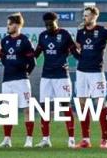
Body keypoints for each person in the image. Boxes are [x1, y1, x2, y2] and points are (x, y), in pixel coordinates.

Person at [34, 12, 76, 148]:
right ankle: (46, 139)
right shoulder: (42, 36)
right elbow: (36, 53)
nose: (48, 27)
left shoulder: (65, 34)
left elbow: (74, 50)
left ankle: (71, 139)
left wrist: (72, 60)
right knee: (44, 107)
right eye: (46, 24)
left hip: (61, 76)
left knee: (64, 107)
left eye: (50, 24)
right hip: (46, 76)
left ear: (56, 22)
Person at [74, 5, 107, 148]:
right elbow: (77, 47)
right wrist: (78, 57)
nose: (85, 17)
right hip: (81, 71)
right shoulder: (80, 31)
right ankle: (86, 139)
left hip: (96, 72)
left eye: (87, 15)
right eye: (84, 15)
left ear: (95, 16)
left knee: (100, 104)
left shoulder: (102, 32)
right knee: (82, 104)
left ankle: (105, 139)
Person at [0, 13, 37, 148]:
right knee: (6, 110)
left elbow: (32, 62)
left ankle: (29, 139)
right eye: (7, 23)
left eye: (10, 23)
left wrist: (26, 73)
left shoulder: (25, 41)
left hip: (21, 80)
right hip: (7, 80)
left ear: (17, 25)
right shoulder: (5, 41)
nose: (7, 26)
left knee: (26, 110)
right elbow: (2, 57)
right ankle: (7, 139)